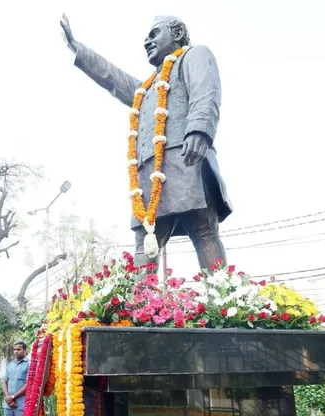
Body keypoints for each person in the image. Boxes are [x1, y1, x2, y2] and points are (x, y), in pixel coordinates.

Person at [60, 14, 230, 269]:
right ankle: (139, 307)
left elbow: (206, 91)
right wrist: (78, 49)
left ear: (178, 34)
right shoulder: (145, 89)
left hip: (186, 158)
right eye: (146, 37)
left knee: (204, 230)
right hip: (148, 172)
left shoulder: (193, 56)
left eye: (154, 34)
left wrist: (199, 131)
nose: (147, 41)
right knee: (145, 242)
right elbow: (112, 78)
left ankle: (224, 300)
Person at [2, 342, 29, 416]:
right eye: (14, 350)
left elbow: (28, 384)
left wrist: (12, 397)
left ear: (24, 350)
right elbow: (4, 382)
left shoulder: (29, 364)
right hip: (8, 405)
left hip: (20, 405)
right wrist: (7, 397)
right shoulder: (10, 364)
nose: (16, 352)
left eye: (19, 349)